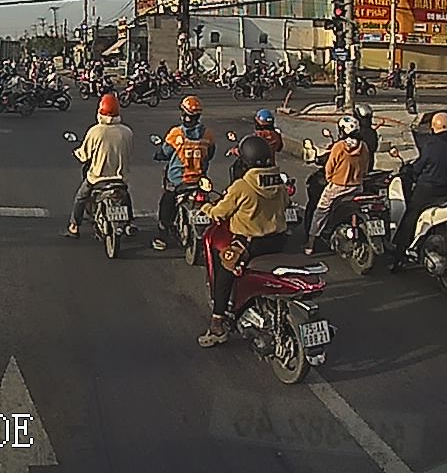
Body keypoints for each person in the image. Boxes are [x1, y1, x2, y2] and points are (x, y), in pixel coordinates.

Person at [197, 135, 290, 347]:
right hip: (278, 241)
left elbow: (220, 212)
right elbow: (285, 204)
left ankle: (217, 324)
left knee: (224, 271)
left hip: (250, 244)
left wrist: (207, 208)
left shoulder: (242, 186)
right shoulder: (278, 182)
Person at [392, 112, 447, 267]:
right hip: (446, 190)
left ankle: (400, 254)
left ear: (433, 127)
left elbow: (419, 167)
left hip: (426, 190)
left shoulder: (430, 146)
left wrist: (409, 171)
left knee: (410, 218)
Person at [153, 96, 216, 251]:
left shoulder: (176, 134)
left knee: (166, 205)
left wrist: (158, 155)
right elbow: (210, 154)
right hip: (200, 181)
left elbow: (165, 152)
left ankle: (162, 237)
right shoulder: (208, 134)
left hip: (178, 181)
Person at [67, 93, 135, 238]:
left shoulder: (95, 131)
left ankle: (74, 225)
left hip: (98, 178)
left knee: (81, 197)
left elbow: (84, 154)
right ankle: (129, 222)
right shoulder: (127, 132)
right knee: (125, 196)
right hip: (120, 178)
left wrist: (77, 153)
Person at [304, 115, 370, 255]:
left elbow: (329, 167)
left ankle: (310, 244)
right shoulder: (363, 146)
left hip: (338, 187)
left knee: (320, 212)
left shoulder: (339, 147)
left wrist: (331, 179)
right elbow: (365, 167)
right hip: (357, 187)